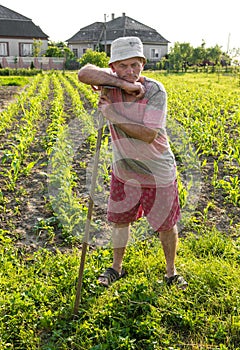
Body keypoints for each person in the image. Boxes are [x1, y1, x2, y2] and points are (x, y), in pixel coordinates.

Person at [78, 36, 188, 289]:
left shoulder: (155, 91)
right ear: (113, 66)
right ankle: (116, 268)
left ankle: (171, 272)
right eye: (124, 66)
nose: (131, 72)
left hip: (157, 172)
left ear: (143, 65)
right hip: (124, 171)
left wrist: (112, 114)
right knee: (120, 221)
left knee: (166, 225)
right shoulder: (110, 85)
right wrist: (122, 85)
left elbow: (149, 134)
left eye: (135, 65)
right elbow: (84, 73)